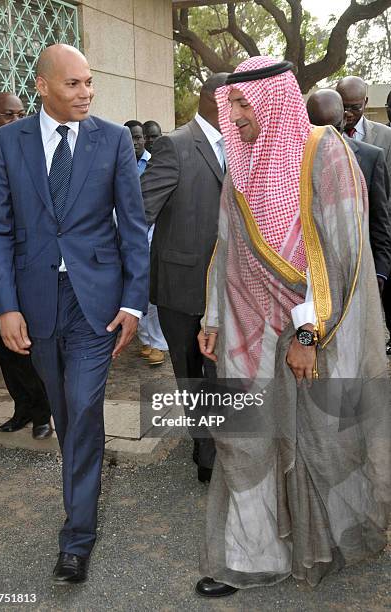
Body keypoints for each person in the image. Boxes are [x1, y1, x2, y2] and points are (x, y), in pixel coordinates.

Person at [195, 56, 390, 597]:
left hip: (312, 328)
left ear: (272, 102)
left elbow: (344, 252)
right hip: (246, 326)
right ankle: (251, 556)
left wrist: (309, 334)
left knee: (322, 439)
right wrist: (213, 316)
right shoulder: (239, 161)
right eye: (228, 104)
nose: (232, 114)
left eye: (240, 103)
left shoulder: (326, 155)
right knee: (246, 439)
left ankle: (330, 538)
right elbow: (227, 244)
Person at [0, 44, 149, 584]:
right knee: (64, 410)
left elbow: (134, 225)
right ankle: (80, 506)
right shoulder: (7, 144)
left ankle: (77, 536)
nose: (86, 93)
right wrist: (5, 306)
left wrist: (131, 302)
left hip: (95, 304)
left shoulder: (115, 139)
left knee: (83, 406)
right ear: (43, 87)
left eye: (90, 82)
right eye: (73, 84)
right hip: (35, 302)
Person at [141, 73, 228, 483]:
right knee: (192, 372)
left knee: (223, 370)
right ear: (212, 98)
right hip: (183, 288)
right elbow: (141, 210)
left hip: (231, 287)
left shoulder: (245, 145)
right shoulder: (172, 145)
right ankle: (204, 446)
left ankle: (218, 444)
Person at [0, 93, 52, 439]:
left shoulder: (36, 154)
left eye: (23, 114)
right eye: (8, 115)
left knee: (32, 344)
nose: (17, 121)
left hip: (30, 267)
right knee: (5, 345)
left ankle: (43, 412)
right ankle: (22, 408)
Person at [307, 89, 391, 291]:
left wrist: (380, 271)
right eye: (318, 128)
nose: (326, 136)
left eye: (333, 128)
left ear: (343, 121)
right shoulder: (291, 159)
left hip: (358, 271)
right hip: (309, 272)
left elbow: (380, 220)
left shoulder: (370, 158)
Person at [336, 77, 391, 352]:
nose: (347, 113)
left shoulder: (384, 139)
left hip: (373, 244)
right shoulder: (319, 137)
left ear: (366, 103)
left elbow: (385, 199)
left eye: (354, 108)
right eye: (343, 106)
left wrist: (382, 263)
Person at [124, 120, 168, 365]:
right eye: (132, 137)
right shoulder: (120, 163)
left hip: (151, 233)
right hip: (127, 235)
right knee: (135, 288)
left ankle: (159, 343)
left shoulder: (155, 163)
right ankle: (146, 340)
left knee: (152, 292)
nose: (137, 142)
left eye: (140, 137)